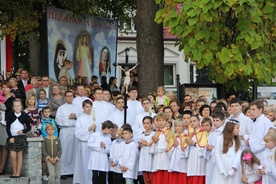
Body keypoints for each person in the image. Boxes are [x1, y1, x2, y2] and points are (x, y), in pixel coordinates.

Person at [55, 91, 80, 179]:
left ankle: (73, 171)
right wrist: (68, 117)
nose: (69, 97)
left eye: (71, 96)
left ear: (73, 97)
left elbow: (81, 119)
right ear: (65, 97)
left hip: (75, 131)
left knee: (74, 151)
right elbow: (58, 120)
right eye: (68, 96)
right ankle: (63, 172)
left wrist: (76, 117)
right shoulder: (61, 108)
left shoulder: (78, 108)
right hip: (65, 131)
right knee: (65, 151)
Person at [5, 100, 31, 178]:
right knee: (13, 155)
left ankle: (18, 173)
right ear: (13, 107)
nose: (17, 107)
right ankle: (14, 171)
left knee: (19, 155)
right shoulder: (10, 115)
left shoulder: (24, 115)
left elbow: (29, 127)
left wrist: (23, 131)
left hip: (20, 137)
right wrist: (10, 137)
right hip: (12, 137)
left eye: (18, 106)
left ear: (21, 107)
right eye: (15, 106)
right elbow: (7, 127)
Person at [212, 119, 242, 184]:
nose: (238, 130)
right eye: (237, 128)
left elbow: (239, 154)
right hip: (222, 166)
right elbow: (217, 154)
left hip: (233, 166)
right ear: (231, 128)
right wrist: (222, 170)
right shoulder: (220, 138)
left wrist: (234, 168)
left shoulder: (237, 140)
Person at [73, 100, 95, 184]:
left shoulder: (94, 117)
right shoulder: (80, 119)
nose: (89, 108)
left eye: (90, 107)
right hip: (84, 144)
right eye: (87, 107)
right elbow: (77, 133)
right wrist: (88, 129)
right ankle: (85, 181)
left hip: (93, 145)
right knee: (85, 164)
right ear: (83, 108)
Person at [150, 113, 174, 184]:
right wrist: (154, 143)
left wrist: (158, 142)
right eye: (159, 120)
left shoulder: (170, 133)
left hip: (166, 159)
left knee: (165, 179)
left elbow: (170, 146)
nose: (160, 122)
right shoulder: (156, 133)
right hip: (157, 159)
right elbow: (151, 149)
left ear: (166, 121)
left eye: (162, 120)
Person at [185, 115, 208, 184]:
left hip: (199, 160)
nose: (192, 123)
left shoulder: (203, 133)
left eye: (194, 121)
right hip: (191, 158)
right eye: (191, 121)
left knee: (198, 176)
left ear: (199, 122)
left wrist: (194, 144)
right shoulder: (191, 134)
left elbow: (204, 147)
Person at [204, 112, 225, 184]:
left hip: (219, 160)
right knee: (210, 177)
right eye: (214, 120)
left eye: (217, 120)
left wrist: (213, 148)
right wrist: (207, 148)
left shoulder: (224, 133)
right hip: (211, 160)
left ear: (222, 121)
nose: (215, 122)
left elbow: (224, 147)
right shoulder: (212, 133)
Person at [0, 81, 16, 174]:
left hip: (6, 124)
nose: (5, 89)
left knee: (4, 146)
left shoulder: (12, 99)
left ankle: (2, 168)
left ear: (10, 89)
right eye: (3, 87)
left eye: (7, 87)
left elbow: (4, 108)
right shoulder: (2, 97)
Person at [169, 119, 188, 184]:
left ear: (183, 127)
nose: (177, 128)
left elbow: (186, 152)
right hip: (174, 160)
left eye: (179, 126)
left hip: (182, 162)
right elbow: (169, 150)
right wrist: (174, 146)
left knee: (182, 178)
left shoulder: (186, 137)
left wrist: (178, 146)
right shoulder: (174, 137)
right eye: (176, 126)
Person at [138, 116, 155, 184]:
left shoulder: (154, 134)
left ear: (151, 124)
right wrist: (139, 146)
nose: (146, 125)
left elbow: (155, 147)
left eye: (148, 123)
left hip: (151, 160)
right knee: (146, 180)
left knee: (152, 180)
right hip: (143, 159)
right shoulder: (141, 135)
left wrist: (147, 144)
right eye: (144, 123)